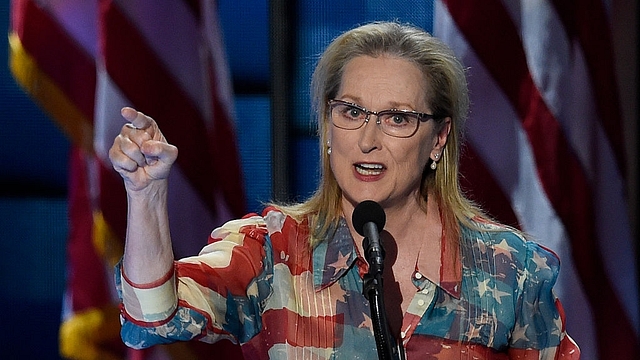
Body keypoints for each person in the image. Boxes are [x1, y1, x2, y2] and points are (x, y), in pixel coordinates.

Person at [109, 21, 580, 359]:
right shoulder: (271, 251)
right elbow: (152, 317)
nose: (368, 139)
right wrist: (145, 195)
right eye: (351, 112)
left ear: (438, 139)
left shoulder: (511, 269)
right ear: (328, 127)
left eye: (398, 118)